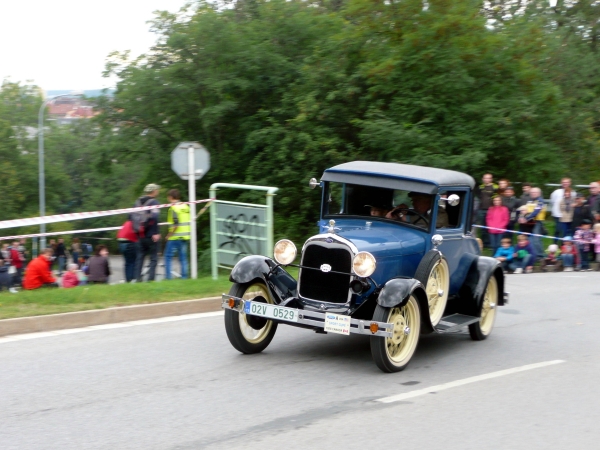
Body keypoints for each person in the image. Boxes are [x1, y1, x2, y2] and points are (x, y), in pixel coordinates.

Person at [134, 183, 161, 282]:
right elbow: (155, 217)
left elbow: (130, 217)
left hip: (139, 234)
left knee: (140, 257)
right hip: (151, 234)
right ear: (154, 191)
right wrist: (156, 232)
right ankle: (150, 279)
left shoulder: (137, 202)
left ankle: (138, 278)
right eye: (157, 190)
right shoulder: (154, 202)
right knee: (153, 257)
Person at [165, 189, 190, 280]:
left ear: (171, 197)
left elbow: (176, 224)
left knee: (168, 257)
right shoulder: (186, 206)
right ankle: (184, 277)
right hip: (185, 236)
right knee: (183, 258)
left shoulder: (173, 208)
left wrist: (169, 235)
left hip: (174, 237)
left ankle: (168, 277)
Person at [517, 187, 546, 260]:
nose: (533, 194)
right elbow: (523, 210)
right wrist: (521, 217)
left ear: (539, 193)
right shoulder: (530, 201)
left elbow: (536, 212)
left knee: (536, 239)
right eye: (532, 192)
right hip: (530, 223)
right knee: (531, 239)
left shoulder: (540, 201)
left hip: (537, 222)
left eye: (535, 192)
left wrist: (526, 219)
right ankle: (535, 254)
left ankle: (540, 256)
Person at [474, 173, 497, 247]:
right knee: (483, 227)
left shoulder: (495, 187)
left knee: (491, 227)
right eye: (485, 178)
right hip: (481, 209)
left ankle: (491, 243)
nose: (487, 179)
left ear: (491, 179)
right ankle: (484, 243)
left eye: (488, 178)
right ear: (483, 179)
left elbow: (497, 198)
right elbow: (478, 198)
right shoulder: (480, 187)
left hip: (492, 210)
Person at [550, 178, 573, 243]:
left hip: (568, 216)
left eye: (567, 182)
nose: (565, 183)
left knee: (565, 231)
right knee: (558, 230)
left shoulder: (573, 192)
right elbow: (552, 201)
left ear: (570, 183)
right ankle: (555, 244)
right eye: (564, 182)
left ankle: (564, 245)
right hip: (558, 215)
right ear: (561, 183)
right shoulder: (556, 192)